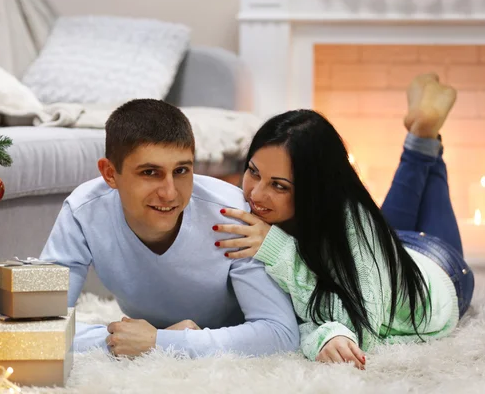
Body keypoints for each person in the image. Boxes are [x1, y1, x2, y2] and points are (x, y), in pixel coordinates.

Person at [213, 73, 475, 369]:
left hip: (441, 272)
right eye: (253, 171)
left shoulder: (354, 224)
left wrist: (279, 249)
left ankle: (425, 138)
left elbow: (362, 329)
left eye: (280, 186)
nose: (256, 194)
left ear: (314, 189)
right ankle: (423, 135)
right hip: (390, 253)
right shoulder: (260, 208)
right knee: (383, 229)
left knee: (375, 227)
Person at [39, 99, 299, 358]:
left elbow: (280, 333)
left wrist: (163, 341)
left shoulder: (233, 214)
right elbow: (40, 324)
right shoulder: (82, 212)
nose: (170, 193)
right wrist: (121, 340)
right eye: (150, 172)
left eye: (181, 170)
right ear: (109, 173)